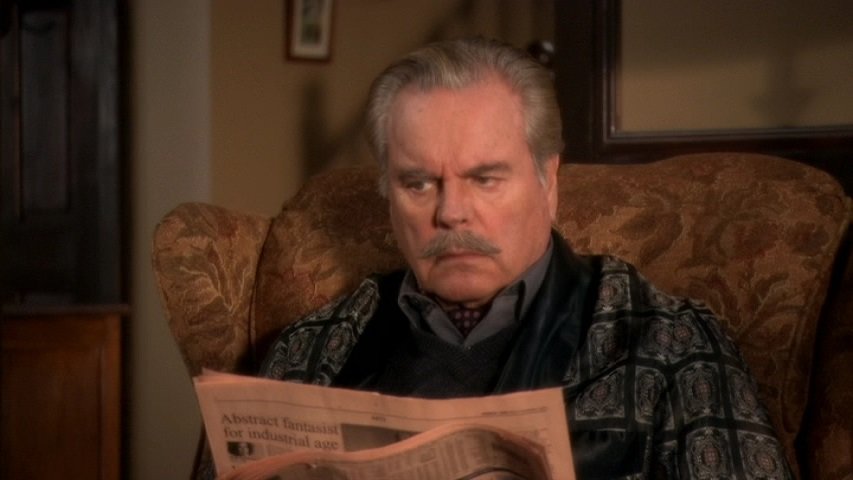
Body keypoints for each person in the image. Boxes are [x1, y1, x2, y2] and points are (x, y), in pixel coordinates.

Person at [260, 37, 793, 479]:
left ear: (549, 181)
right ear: (389, 196)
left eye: (485, 179)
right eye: (418, 183)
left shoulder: (668, 344)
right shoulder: (319, 348)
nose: (451, 213)